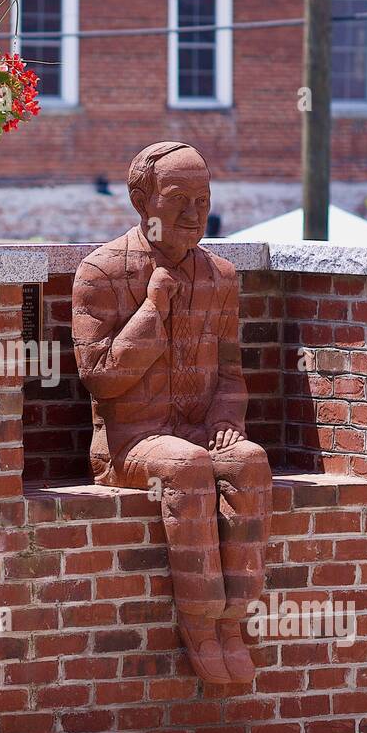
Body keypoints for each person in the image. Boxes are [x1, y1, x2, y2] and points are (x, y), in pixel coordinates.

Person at [72, 142, 272, 684]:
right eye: (177, 199)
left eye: (202, 202)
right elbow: (103, 377)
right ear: (142, 200)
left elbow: (230, 371)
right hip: (131, 443)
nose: (192, 216)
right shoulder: (103, 272)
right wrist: (153, 306)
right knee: (186, 469)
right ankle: (200, 627)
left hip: (197, 432)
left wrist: (228, 417)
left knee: (250, 462)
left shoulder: (220, 277)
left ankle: (234, 624)